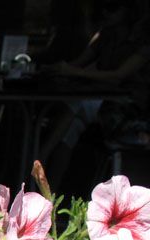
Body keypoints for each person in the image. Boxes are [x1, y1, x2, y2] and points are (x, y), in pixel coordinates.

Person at [40, 0, 150, 187]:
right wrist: (53, 69)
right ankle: (49, 189)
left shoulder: (142, 41)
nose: (105, 12)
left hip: (130, 109)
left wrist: (73, 72)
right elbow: (77, 64)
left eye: (112, 7)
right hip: (103, 103)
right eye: (102, 7)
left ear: (128, 10)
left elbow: (118, 75)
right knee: (69, 130)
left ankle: (41, 156)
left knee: (77, 105)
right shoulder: (105, 35)